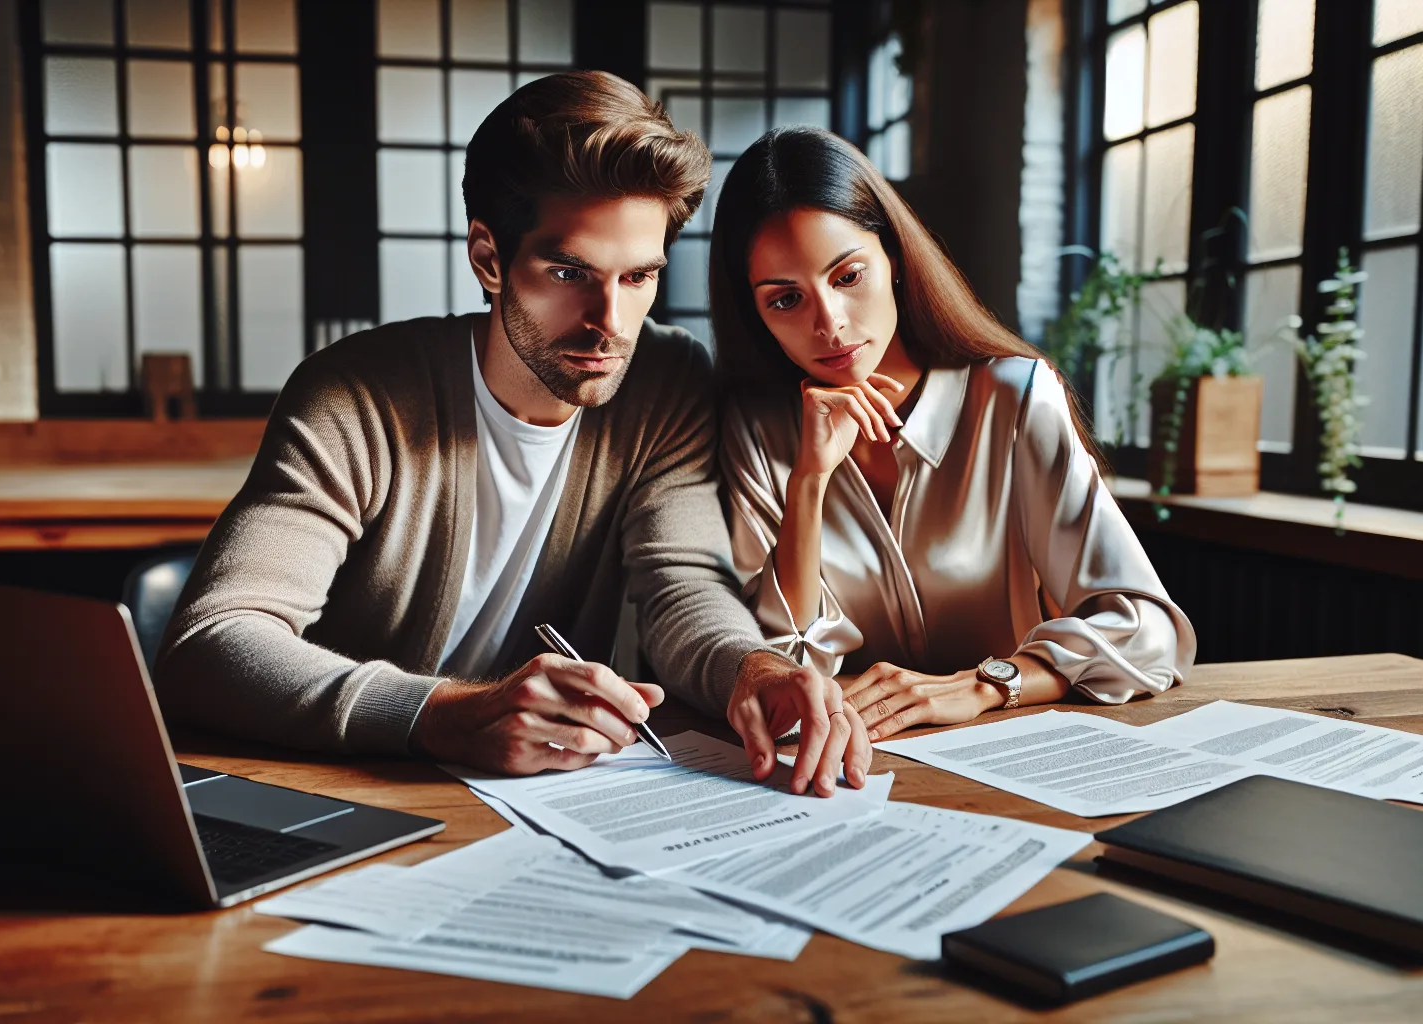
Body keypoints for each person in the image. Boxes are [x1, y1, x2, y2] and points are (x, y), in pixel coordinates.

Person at [157, 74, 868, 797]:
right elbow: (209, 643)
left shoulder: (665, 381)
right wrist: (443, 714)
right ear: (489, 259)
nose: (610, 323)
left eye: (637, 278)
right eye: (569, 272)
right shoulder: (356, 396)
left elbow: (682, 584)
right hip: (343, 787)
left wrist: (752, 667)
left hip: (540, 799)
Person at [712, 126, 1195, 742]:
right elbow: (783, 668)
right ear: (755, 313)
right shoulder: (755, 430)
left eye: (848, 276)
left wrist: (983, 686)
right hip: (848, 764)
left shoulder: (1014, 399)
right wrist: (809, 480)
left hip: (1011, 749)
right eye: (785, 300)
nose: (829, 324)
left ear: (893, 259)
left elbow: (1148, 632)